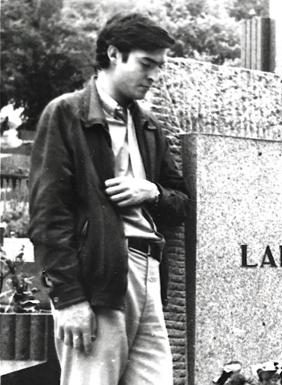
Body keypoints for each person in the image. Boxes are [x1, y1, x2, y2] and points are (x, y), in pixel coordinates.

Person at [28, 13, 188, 385]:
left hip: (149, 275)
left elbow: (181, 202)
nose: (154, 76)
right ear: (114, 54)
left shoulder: (148, 126)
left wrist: (151, 191)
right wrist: (68, 299)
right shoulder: (67, 114)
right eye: (146, 64)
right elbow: (49, 215)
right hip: (97, 277)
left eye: (159, 66)